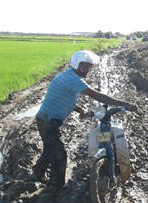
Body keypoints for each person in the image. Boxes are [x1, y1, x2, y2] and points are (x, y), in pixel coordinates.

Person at [33, 50, 137, 190]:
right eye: (86, 67)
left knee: (49, 149)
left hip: (45, 120)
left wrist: (80, 110)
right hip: (49, 121)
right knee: (59, 154)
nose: (88, 70)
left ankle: (37, 173)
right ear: (77, 65)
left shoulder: (68, 76)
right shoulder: (73, 79)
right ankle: (56, 187)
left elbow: (65, 97)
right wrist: (124, 104)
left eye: (89, 67)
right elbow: (98, 96)